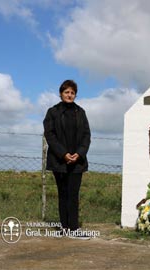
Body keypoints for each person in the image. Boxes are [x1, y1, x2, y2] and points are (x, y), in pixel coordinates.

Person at [43, 79, 91, 239]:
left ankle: (74, 229)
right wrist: (63, 154)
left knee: (73, 194)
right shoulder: (53, 112)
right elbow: (50, 135)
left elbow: (86, 135)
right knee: (63, 194)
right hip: (59, 161)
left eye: (72, 93)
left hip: (77, 161)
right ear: (61, 93)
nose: (69, 95)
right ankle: (65, 228)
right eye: (67, 92)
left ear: (75, 95)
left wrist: (79, 153)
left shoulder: (81, 112)